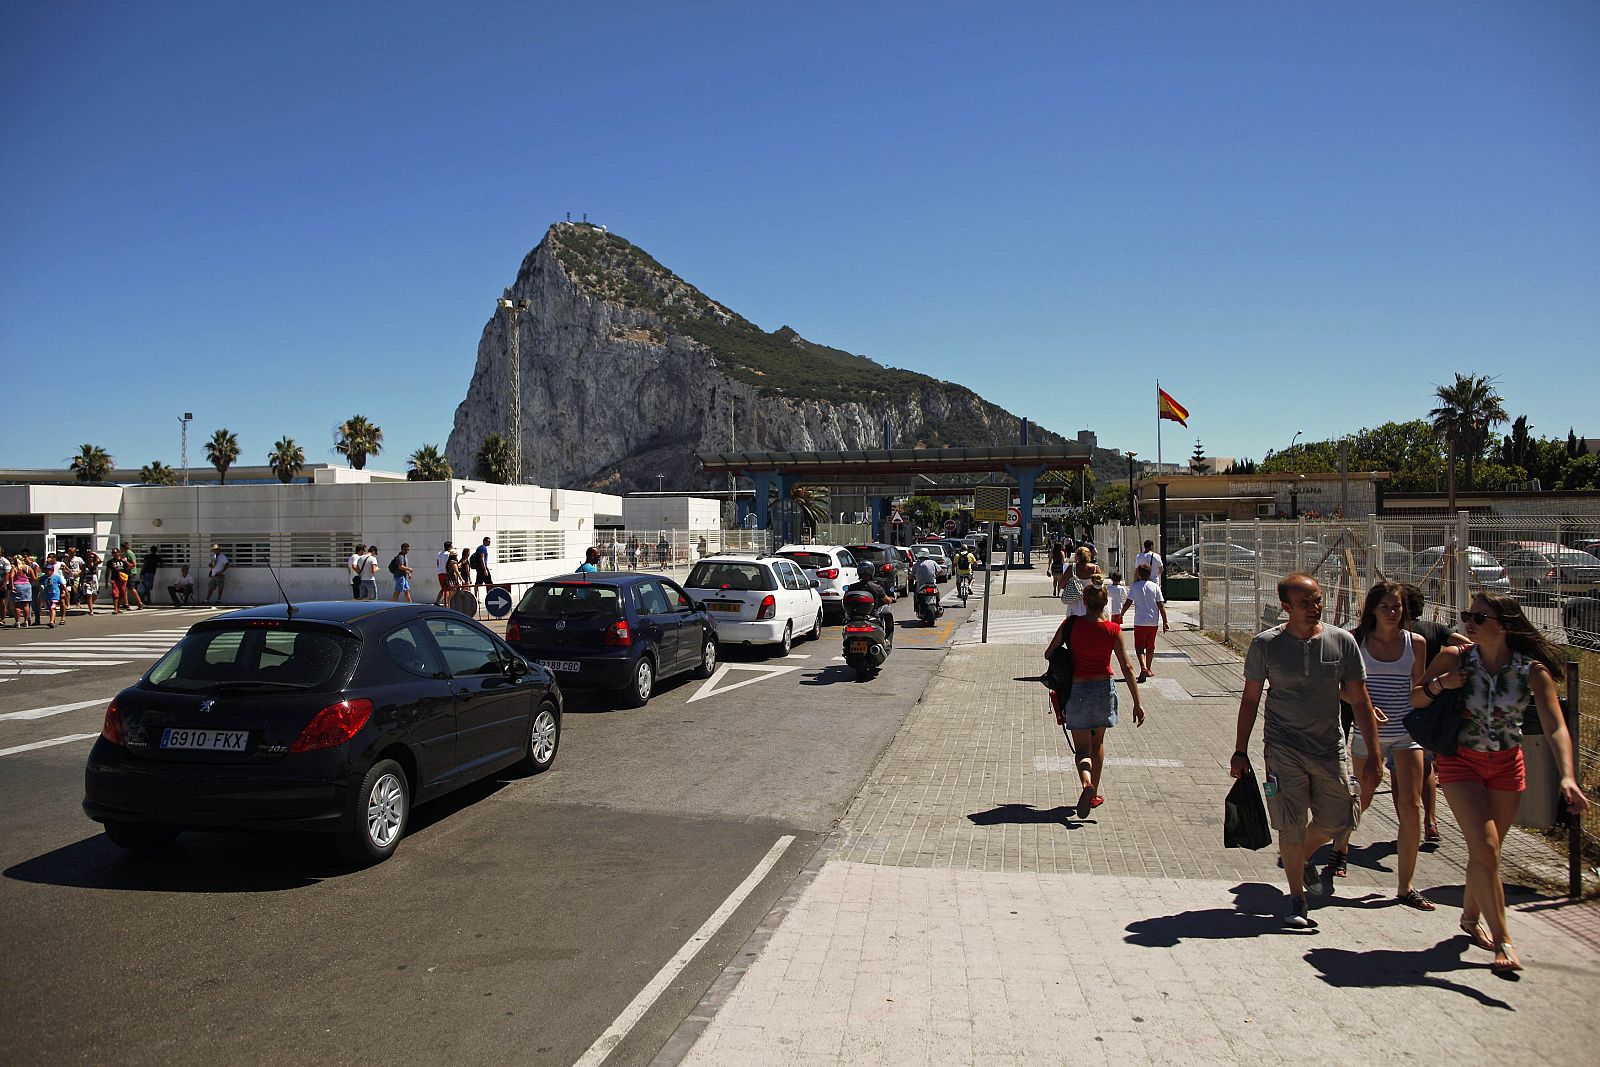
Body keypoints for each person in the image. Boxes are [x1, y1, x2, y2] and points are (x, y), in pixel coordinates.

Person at [1414, 592, 1589, 974]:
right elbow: (1416, 698)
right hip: (1461, 762)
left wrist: (1568, 778)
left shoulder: (1531, 671)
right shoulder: (1454, 658)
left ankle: (1468, 915)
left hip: (1508, 766)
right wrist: (1442, 684)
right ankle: (1503, 938)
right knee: (1487, 848)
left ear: (1504, 623)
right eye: (1467, 616)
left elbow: (1555, 726)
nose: (1469, 624)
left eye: (1479, 617)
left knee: (1487, 851)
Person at [1230, 572, 1382, 929]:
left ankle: (1303, 854)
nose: (1314, 608)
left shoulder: (1341, 641)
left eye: (1317, 600)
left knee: (1341, 819)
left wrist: (1374, 754)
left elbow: (1360, 699)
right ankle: (1297, 897)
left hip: (1330, 748)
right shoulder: (1266, 645)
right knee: (1290, 823)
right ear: (1286, 607)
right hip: (1282, 749)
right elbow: (1250, 699)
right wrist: (1239, 751)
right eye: (1304, 603)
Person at [1329, 582, 1431, 905]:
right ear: (1372, 609)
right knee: (1362, 797)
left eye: (1397, 607)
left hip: (1406, 732)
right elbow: (1340, 688)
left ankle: (1406, 885)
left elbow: (1418, 688)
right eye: (1386, 606)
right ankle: (1339, 848)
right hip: (1367, 733)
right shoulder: (1357, 641)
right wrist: (1365, 707)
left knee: (1411, 805)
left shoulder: (1416, 643)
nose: (1392, 612)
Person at [1043, 581, 1146, 819]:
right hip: (1103, 689)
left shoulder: (1071, 624)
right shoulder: (1113, 629)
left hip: (1077, 690)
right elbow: (1128, 667)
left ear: (1085, 602)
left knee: (1081, 750)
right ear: (1105, 603)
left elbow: (1049, 653)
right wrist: (1137, 703)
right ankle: (1095, 792)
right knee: (1097, 743)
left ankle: (1086, 783)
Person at [1401, 582, 1469, 842]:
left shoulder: (1395, 633)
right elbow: (1469, 646)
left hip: (1408, 703)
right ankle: (1431, 821)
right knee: (1426, 764)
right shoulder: (1434, 630)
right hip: (1433, 706)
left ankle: (1409, 826)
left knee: (1404, 772)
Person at [1126, 564, 1169, 682]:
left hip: (1139, 621)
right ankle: (1148, 668)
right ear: (1150, 574)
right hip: (1153, 621)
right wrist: (1165, 621)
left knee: (1139, 647)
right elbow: (1161, 604)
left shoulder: (1134, 587)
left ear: (1138, 574)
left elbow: (1128, 602)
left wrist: (1122, 613)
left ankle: (1143, 667)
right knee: (1150, 646)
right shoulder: (1155, 587)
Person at [846, 560, 894, 638]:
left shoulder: (852, 587)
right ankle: (886, 640)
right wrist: (891, 599)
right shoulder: (876, 587)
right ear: (872, 572)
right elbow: (887, 600)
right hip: (872, 616)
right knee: (887, 613)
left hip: (853, 617)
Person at [80, 549, 100, 615]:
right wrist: (81, 582)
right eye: (89, 557)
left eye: (92, 557)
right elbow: (82, 573)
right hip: (86, 580)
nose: (91, 558)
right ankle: (91, 610)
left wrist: (95, 554)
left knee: (95, 594)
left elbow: (100, 561)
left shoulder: (95, 564)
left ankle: (90, 603)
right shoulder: (84, 565)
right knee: (89, 595)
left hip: (94, 579)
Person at [434, 541, 454, 605]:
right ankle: (446, 603)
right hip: (446, 573)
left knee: (443, 588)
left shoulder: (439, 553)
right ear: (449, 547)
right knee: (447, 589)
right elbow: (449, 563)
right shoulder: (448, 554)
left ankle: (437, 601)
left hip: (440, 573)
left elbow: (437, 563)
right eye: (451, 546)